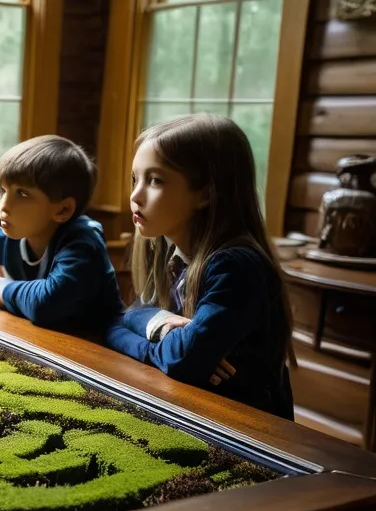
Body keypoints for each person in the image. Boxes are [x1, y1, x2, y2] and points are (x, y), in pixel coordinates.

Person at [105, 113, 294, 419]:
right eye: (134, 179)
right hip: (194, 411)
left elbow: (183, 360)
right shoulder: (173, 257)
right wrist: (161, 325)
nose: (135, 195)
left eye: (155, 180)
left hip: (249, 433)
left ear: (206, 193)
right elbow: (116, 322)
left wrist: (166, 343)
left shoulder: (236, 267)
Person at [0, 135, 123, 335]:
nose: (3, 206)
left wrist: (1, 290)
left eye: (22, 194)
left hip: (98, 350)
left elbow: (47, 304)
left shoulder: (83, 241)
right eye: (2, 191)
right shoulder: (5, 236)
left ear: (63, 210)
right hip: (39, 342)